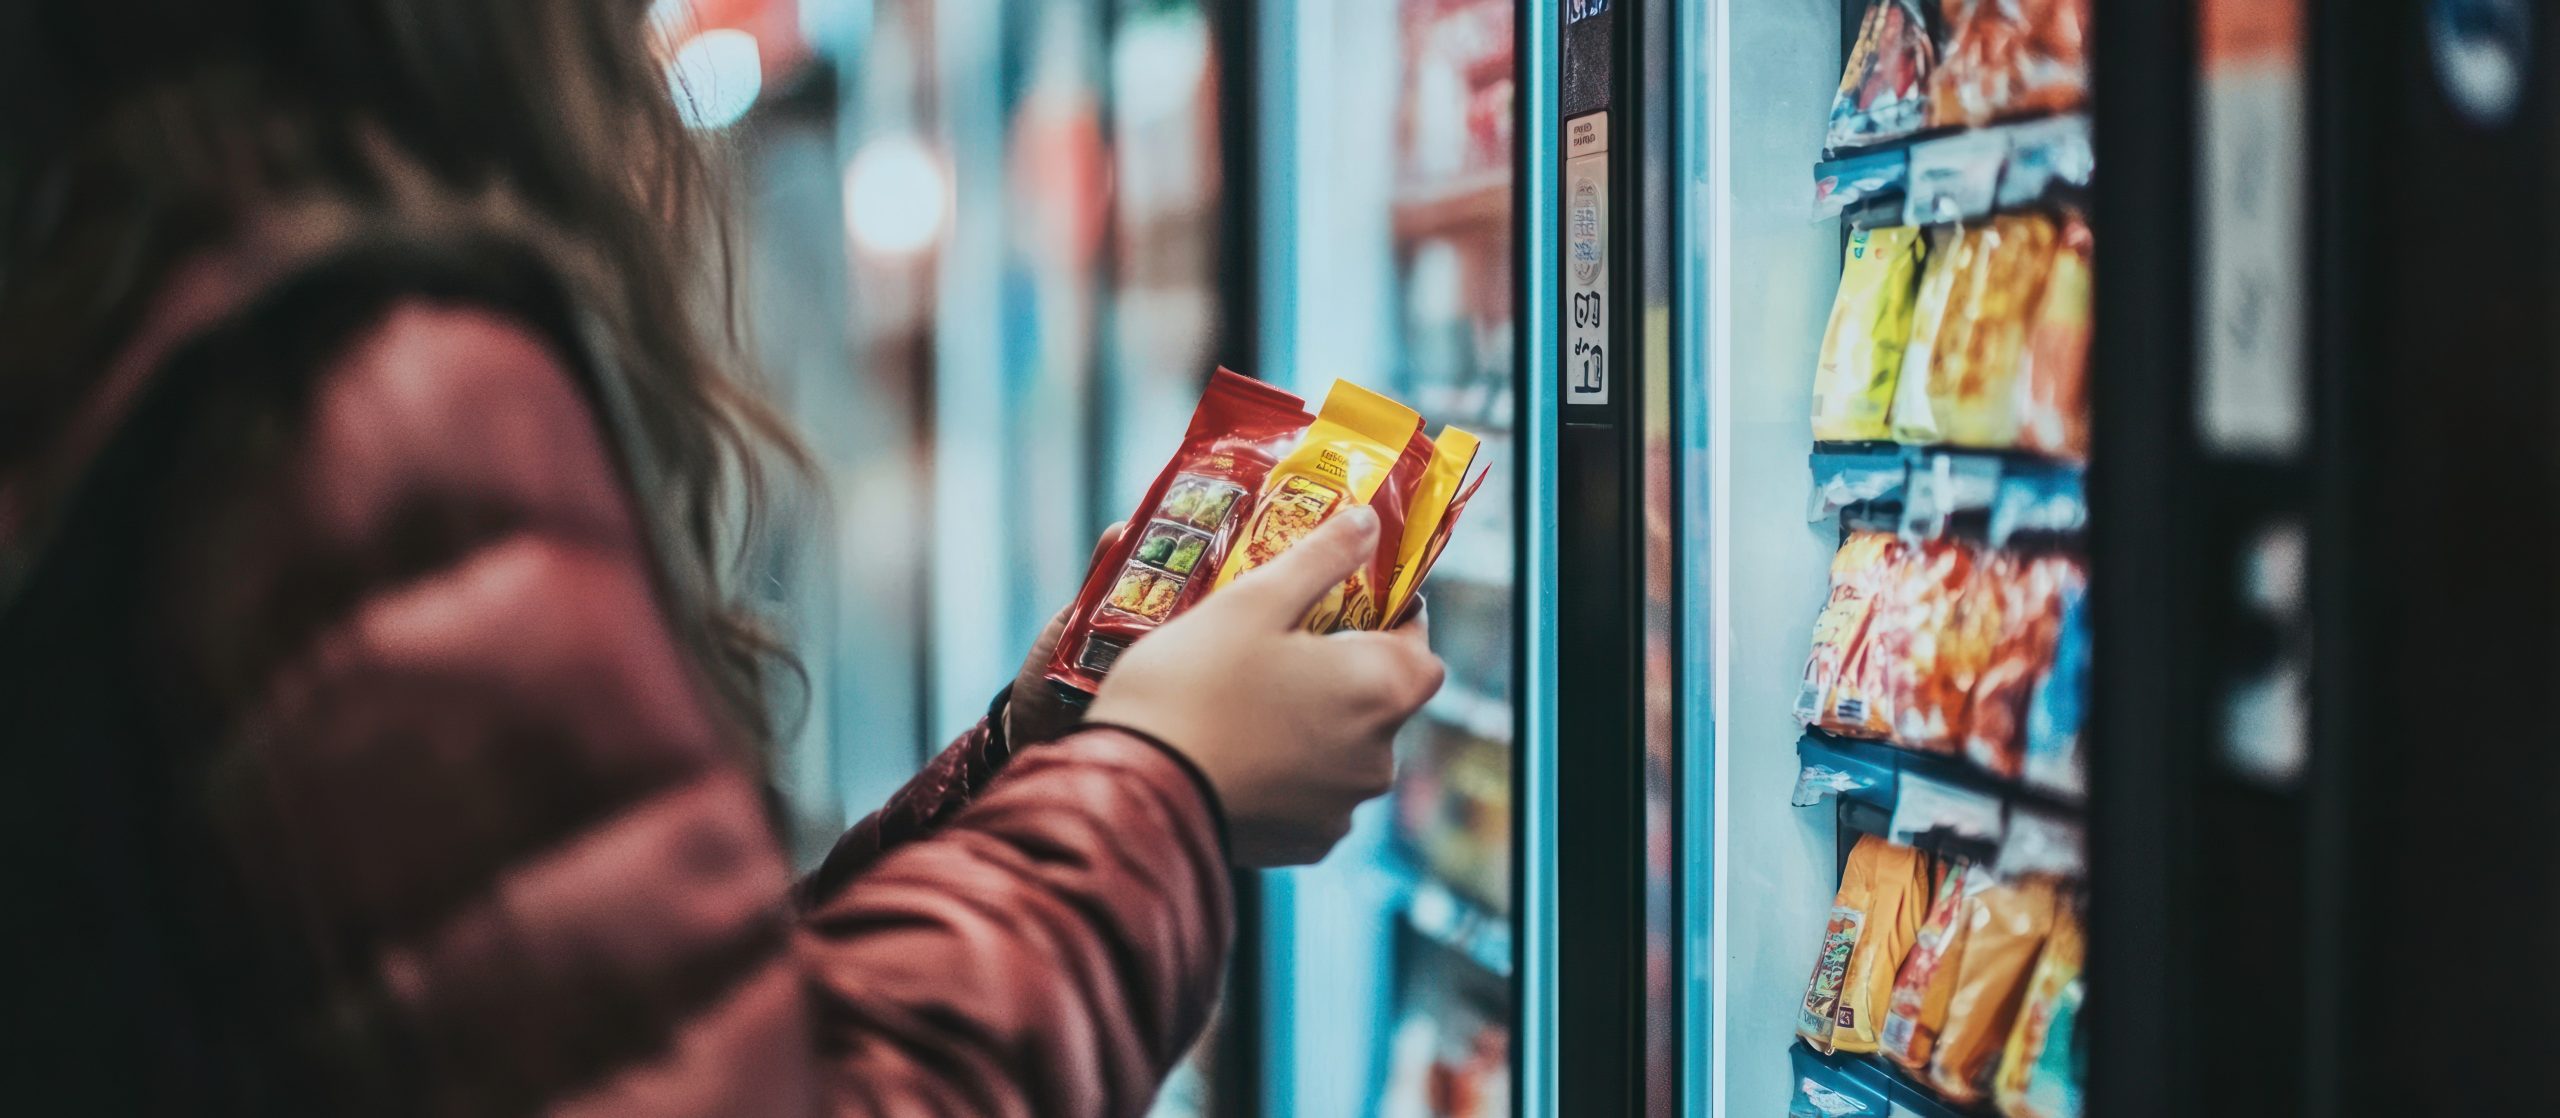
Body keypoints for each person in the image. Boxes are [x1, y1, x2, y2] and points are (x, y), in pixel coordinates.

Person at [0, 2, 1444, 1114]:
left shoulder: (146, 292)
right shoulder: (372, 400)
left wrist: (1035, 757)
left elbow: (653, 1029)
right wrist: (1165, 791)